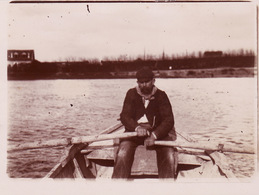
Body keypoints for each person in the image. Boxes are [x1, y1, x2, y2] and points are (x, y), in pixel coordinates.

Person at [112, 66, 177, 179]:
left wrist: (154, 135)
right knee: (122, 154)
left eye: (147, 82)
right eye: (140, 82)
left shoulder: (161, 96)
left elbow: (168, 120)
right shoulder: (131, 94)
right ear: (137, 82)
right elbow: (125, 116)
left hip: (158, 134)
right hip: (133, 133)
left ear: (153, 81)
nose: (143, 85)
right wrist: (137, 128)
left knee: (169, 156)